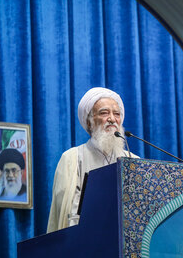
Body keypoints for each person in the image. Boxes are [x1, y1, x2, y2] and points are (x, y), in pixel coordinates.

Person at [47, 87, 138, 233]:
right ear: (89, 122)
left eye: (117, 114)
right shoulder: (72, 158)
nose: (112, 119)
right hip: (84, 240)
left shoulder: (134, 161)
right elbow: (66, 212)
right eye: (104, 113)